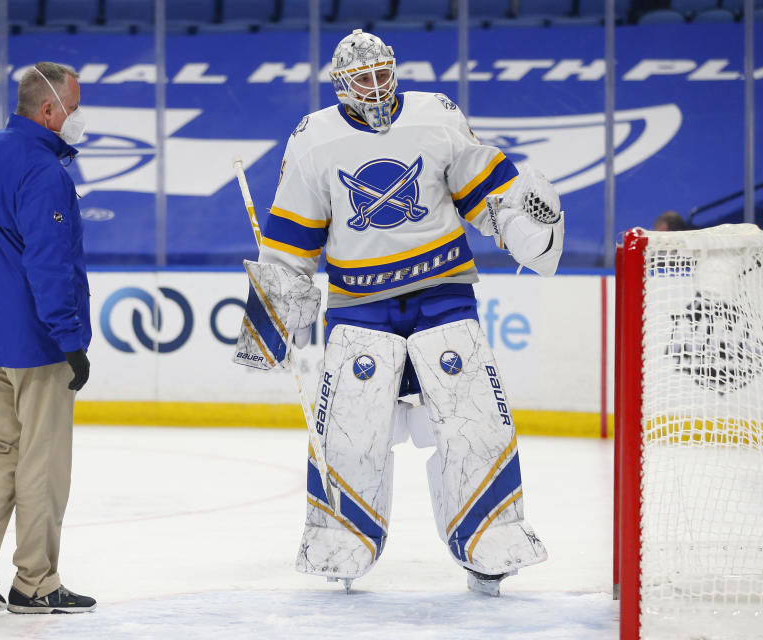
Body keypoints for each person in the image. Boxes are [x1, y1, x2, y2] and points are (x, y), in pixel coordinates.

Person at [233, 30, 558, 596]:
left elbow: (487, 194)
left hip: (445, 296)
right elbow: (289, 244)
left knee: (474, 419)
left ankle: (490, 542)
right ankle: (342, 541)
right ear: (341, 84)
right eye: (364, 77)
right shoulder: (314, 140)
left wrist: (521, 225)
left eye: (384, 73)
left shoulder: (437, 115)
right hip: (360, 308)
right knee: (349, 434)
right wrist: (271, 319)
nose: (377, 86)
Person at [0, 62, 95, 614]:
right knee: (42, 461)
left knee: (2, 450)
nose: (77, 119)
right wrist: (70, 339)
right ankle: (36, 582)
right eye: (73, 109)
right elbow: (49, 262)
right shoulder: (44, 171)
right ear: (49, 110)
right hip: (36, 342)